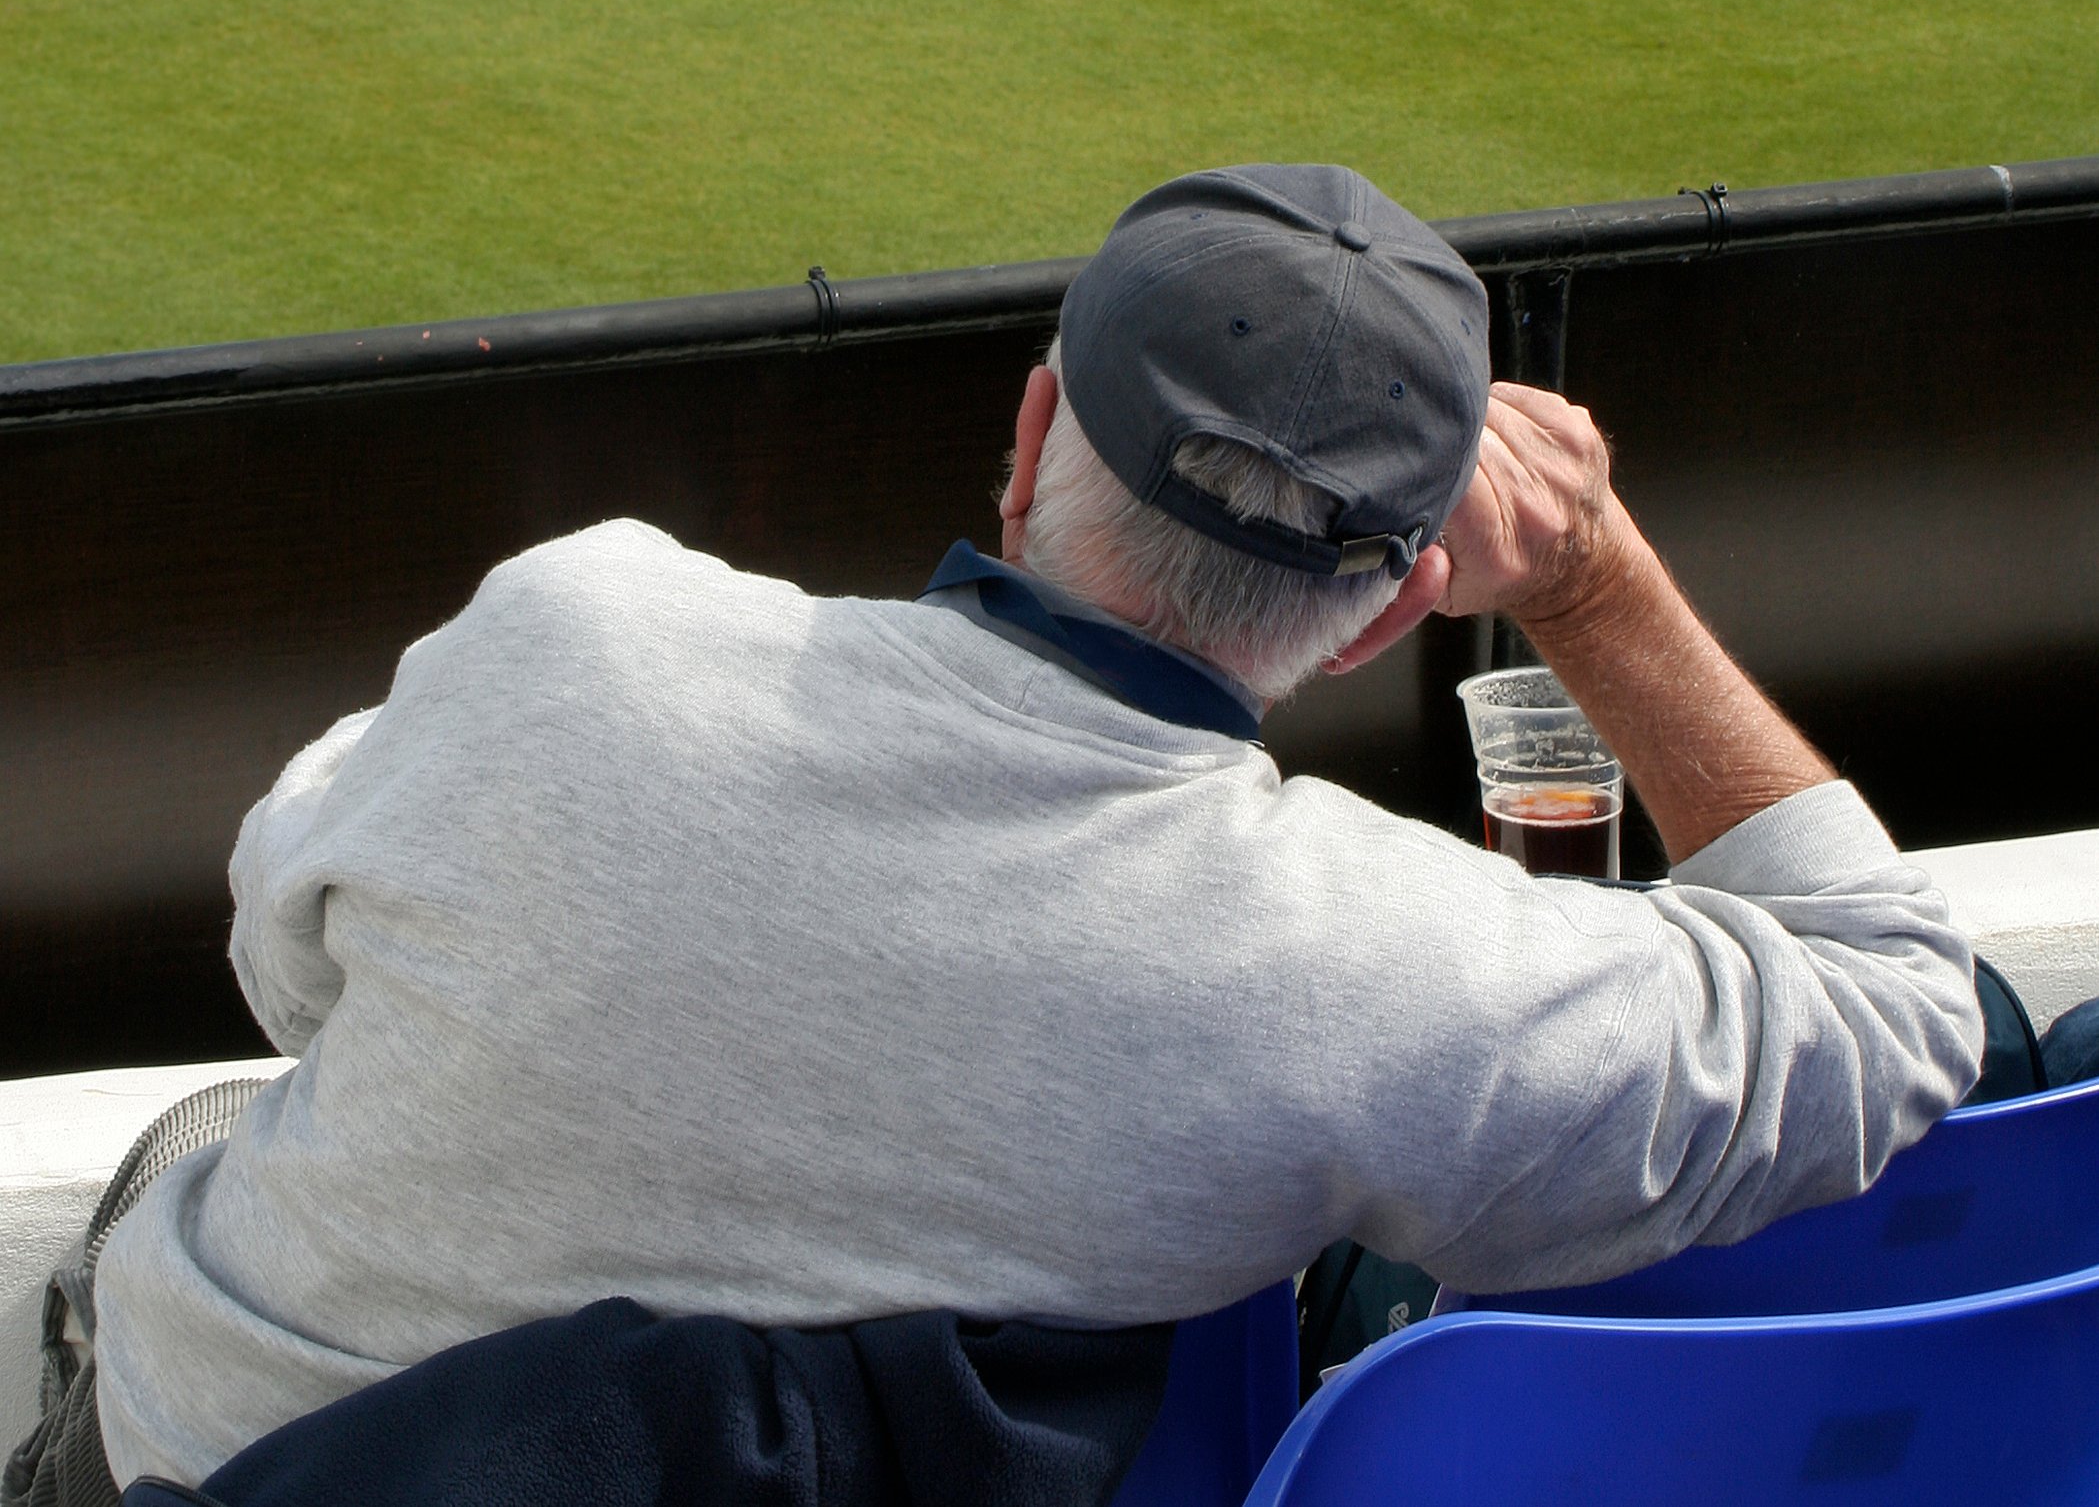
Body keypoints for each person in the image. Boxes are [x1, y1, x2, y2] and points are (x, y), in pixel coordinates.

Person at [87, 166, 1980, 1498]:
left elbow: (291, 960)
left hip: (212, 1468)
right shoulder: (1377, 973)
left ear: (1027, 431)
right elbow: (1902, 1003)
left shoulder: (584, 628)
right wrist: (1588, 580)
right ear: (1400, 606)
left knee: (190, 1143)